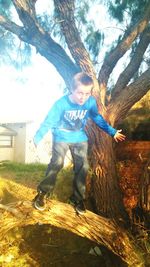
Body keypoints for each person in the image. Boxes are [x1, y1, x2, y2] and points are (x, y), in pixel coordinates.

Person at [33, 72, 125, 214]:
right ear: (72, 89)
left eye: (87, 93)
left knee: (83, 167)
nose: (83, 97)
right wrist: (37, 138)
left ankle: (77, 199)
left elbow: (97, 118)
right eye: (80, 93)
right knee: (57, 163)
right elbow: (49, 121)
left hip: (79, 137)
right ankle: (42, 193)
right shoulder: (61, 104)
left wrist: (112, 132)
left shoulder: (90, 103)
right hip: (61, 136)